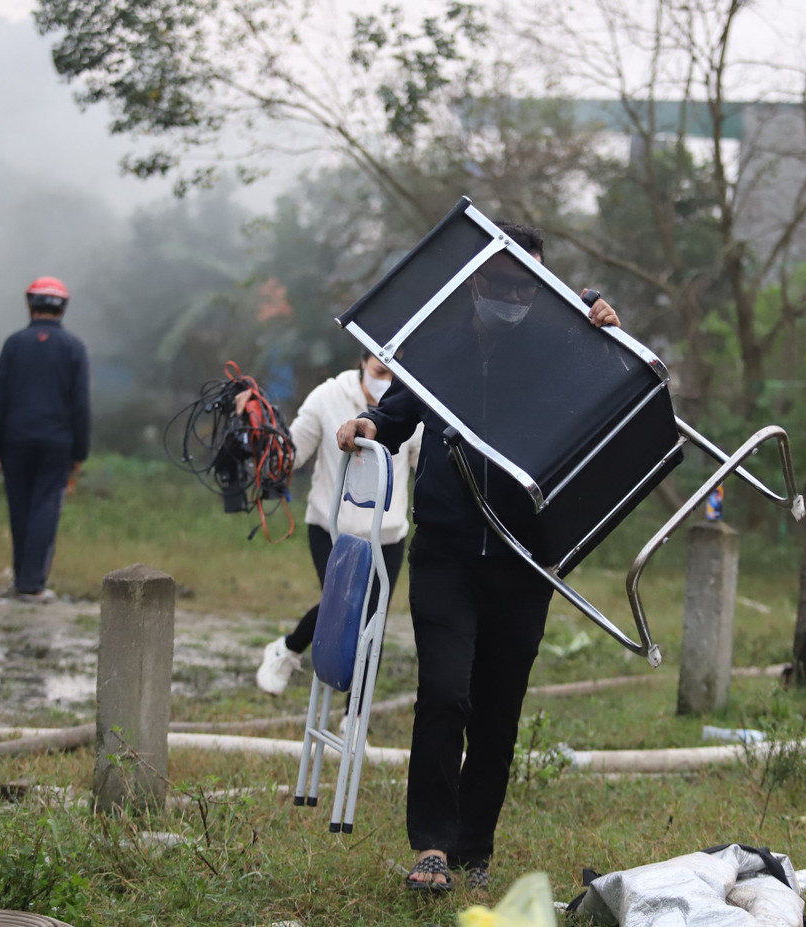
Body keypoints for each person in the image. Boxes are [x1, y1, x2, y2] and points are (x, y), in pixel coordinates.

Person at [336, 222, 619, 892]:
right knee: (444, 690)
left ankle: (473, 850)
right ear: (475, 280)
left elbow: (614, 391)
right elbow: (398, 410)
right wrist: (368, 425)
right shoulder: (438, 342)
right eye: (504, 282)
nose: (516, 295)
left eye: (531, 284)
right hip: (448, 550)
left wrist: (608, 330)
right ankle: (431, 846)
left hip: (526, 558)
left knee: (498, 710)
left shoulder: (562, 345)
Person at [255, 352, 422, 694]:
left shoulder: (414, 406)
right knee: (344, 606)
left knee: (373, 622)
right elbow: (291, 452)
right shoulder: (328, 396)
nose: (385, 380)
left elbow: (424, 463)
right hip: (331, 528)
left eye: (394, 374)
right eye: (379, 370)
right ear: (362, 362)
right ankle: (286, 649)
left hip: (386, 534)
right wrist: (260, 434)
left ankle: (355, 714)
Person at [0, 276, 90, 603]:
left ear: (30, 304)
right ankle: (32, 584)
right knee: (45, 508)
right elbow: (80, 404)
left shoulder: (14, 344)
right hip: (57, 445)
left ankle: (21, 581)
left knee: (20, 508)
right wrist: (79, 452)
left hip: (15, 442)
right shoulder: (74, 348)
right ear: (64, 308)